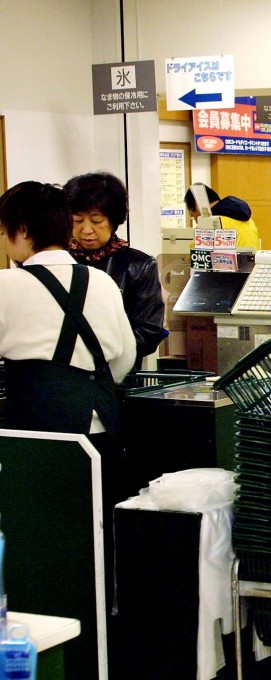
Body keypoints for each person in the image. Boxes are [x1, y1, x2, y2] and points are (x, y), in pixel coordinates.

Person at [0, 181, 136, 610]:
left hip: (36, 433)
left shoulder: (6, 286)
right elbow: (124, 359)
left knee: (42, 545)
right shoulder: (102, 282)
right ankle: (104, 625)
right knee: (97, 538)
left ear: (23, 230)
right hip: (102, 431)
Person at [63, 172, 166, 365]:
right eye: (77, 220)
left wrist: (99, 353)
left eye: (96, 221)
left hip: (117, 372)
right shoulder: (58, 260)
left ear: (114, 220)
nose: (86, 230)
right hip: (63, 370)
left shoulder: (139, 265)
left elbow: (149, 331)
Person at [184, 183, 260, 249]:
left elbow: (194, 254)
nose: (192, 216)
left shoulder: (210, 224)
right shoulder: (247, 219)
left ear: (196, 206)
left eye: (191, 212)